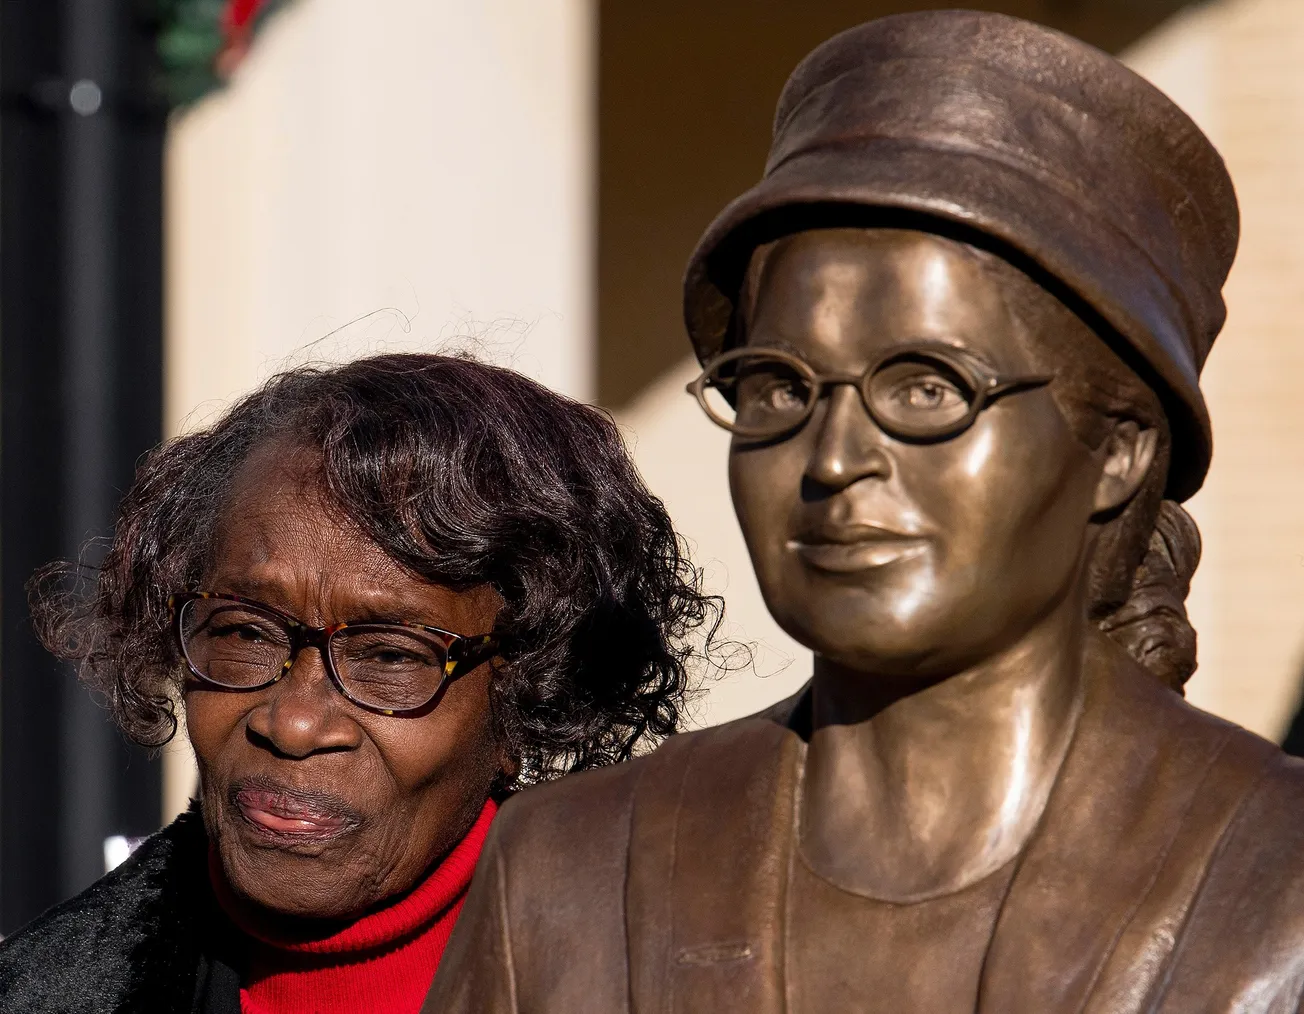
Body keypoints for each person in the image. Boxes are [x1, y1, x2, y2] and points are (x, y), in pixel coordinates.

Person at [425, 11, 1304, 1013]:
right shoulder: (560, 875)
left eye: (924, 387)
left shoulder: (1276, 886)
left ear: (1116, 451)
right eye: (776, 389)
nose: (833, 458)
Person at [0, 353, 718, 1013]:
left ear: (533, 698)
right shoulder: (51, 991)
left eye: (390, 657)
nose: (294, 723)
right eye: (245, 633)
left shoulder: (684, 981)